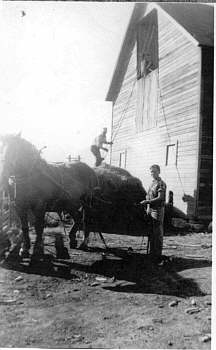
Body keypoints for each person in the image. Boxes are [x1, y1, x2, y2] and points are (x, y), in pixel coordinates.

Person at [140, 164, 166, 264]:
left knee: (157, 233)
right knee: (151, 232)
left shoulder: (161, 183)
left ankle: (157, 256)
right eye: (151, 172)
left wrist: (148, 203)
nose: (152, 173)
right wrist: (147, 207)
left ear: (159, 172)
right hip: (150, 209)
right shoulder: (152, 183)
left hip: (158, 210)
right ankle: (152, 254)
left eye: (154, 171)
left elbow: (160, 198)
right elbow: (148, 195)